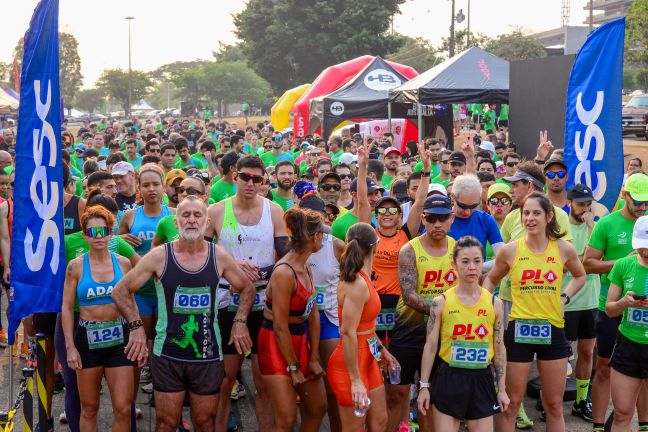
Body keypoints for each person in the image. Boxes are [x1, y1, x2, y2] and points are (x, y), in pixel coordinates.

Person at [112, 196, 255, 432]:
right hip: (168, 354)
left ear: (206, 222)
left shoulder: (218, 255)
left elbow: (247, 288)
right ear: (176, 223)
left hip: (207, 355)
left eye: (197, 215)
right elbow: (121, 291)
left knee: (204, 422)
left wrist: (240, 322)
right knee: (166, 423)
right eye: (185, 216)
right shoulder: (160, 255)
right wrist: (136, 327)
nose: (191, 220)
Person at [484, 192, 585, 431]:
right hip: (519, 329)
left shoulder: (563, 249)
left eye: (536, 213)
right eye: (525, 213)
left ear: (549, 216)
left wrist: (564, 297)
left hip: (553, 330)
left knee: (554, 405)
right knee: (511, 404)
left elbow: (580, 276)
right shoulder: (509, 251)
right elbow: (490, 281)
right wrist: (490, 307)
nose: (529, 218)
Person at [206, 155, 289, 432]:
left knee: (264, 382)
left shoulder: (273, 211)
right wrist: (231, 268)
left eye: (257, 179)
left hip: (264, 305)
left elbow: (287, 259)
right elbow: (201, 259)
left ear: (264, 181)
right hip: (227, 304)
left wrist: (260, 273)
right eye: (245, 177)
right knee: (224, 381)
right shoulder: (216, 211)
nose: (251, 183)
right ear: (234, 175)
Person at [417, 236, 509, 431]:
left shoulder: (495, 304)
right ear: (454, 264)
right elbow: (431, 346)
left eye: (477, 261)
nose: (472, 267)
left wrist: (502, 389)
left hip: (481, 379)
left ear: (483, 263)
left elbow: (499, 350)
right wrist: (424, 386)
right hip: (449, 378)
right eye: (465, 262)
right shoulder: (440, 302)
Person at [386, 194, 458, 432]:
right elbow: (409, 295)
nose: (437, 224)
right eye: (431, 219)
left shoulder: (458, 250)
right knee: (397, 394)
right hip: (409, 330)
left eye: (443, 218)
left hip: (443, 335)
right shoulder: (410, 249)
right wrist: (446, 310)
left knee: (433, 397)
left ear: (451, 219)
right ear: (423, 220)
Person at [61, 205, 136, 431]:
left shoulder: (123, 263)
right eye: (93, 232)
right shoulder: (75, 266)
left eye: (104, 231)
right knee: (90, 407)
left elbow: (130, 302)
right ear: (85, 235)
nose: (99, 237)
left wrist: (136, 333)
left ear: (111, 232)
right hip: (87, 339)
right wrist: (70, 347)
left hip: (119, 338)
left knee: (123, 407)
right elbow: (66, 307)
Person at [584, 172, 648, 431]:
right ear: (624, 195)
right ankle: (599, 424)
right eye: (638, 201)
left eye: (646, 201)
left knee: (643, 376)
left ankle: (643, 423)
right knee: (605, 367)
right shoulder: (607, 224)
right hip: (611, 307)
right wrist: (623, 263)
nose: (643, 206)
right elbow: (587, 264)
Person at [258, 208, 328, 431]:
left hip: (299, 339)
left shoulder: (305, 265)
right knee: (286, 419)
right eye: (322, 234)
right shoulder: (284, 273)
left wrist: (314, 356)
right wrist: (293, 367)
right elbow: (279, 326)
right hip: (275, 342)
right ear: (313, 237)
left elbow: (313, 312)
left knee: (317, 408)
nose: (324, 239)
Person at [327, 223, 399, 432]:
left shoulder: (365, 277)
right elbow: (348, 332)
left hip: (369, 357)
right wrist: (355, 380)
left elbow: (365, 329)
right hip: (350, 364)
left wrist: (383, 351)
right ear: (375, 246)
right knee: (354, 428)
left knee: (380, 421)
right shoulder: (356, 283)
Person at [363, 142, 431, 344]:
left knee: (398, 346)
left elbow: (419, 202)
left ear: (400, 215)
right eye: (382, 210)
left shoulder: (406, 234)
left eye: (392, 210)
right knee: (375, 347)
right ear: (376, 215)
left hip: (401, 302)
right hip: (374, 300)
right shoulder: (369, 234)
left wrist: (426, 169)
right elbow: (361, 201)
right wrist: (362, 166)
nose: (387, 214)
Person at [118, 164, 174, 348]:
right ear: (139, 188)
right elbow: (116, 251)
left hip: (165, 289)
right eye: (146, 185)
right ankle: (143, 369)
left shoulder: (174, 215)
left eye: (156, 184)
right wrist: (120, 238)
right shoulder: (129, 216)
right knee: (142, 338)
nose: (151, 189)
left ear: (163, 187)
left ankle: (157, 372)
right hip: (139, 290)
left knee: (161, 338)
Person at [605, 215, 648, 431]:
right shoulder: (623, 265)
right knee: (622, 413)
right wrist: (624, 302)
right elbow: (609, 309)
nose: (646, 252)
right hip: (629, 345)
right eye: (642, 247)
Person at [563, 184, 600, 422]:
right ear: (570, 204)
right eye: (580, 204)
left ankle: (580, 400)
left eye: (588, 204)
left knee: (587, 352)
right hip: (566, 300)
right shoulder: (560, 227)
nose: (585, 209)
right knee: (560, 356)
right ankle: (552, 399)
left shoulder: (596, 228)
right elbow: (577, 263)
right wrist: (583, 260)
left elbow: (596, 259)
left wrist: (591, 228)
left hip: (590, 300)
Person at [448, 174, 503, 271]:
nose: (468, 212)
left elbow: (502, 258)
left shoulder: (486, 220)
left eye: (473, 206)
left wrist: (473, 268)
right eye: (463, 206)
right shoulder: (440, 220)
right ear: (453, 196)